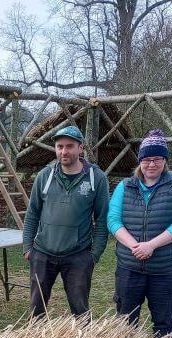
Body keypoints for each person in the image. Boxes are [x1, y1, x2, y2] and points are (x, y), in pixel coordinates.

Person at [107, 129, 172, 338]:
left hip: (164, 271)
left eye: (157, 159)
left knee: (164, 324)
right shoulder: (124, 186)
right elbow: (113, 220)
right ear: (140, 161)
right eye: (146, 159)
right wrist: (135, 246)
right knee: (125, 324)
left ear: (165, 160)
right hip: (129, 268)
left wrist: (151, 245)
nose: (151, 164)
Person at [22, 125, 109, 318]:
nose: (64, 151)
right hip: (43, 253)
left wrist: (93, 255)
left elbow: (102, 219)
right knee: (36, 309)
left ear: (81, 148)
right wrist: (28, 247)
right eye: (59, 146)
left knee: (80, 310)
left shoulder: (96, 178)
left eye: (69, 146)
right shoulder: (45, 176)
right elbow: (32, 213)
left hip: (78, 255)